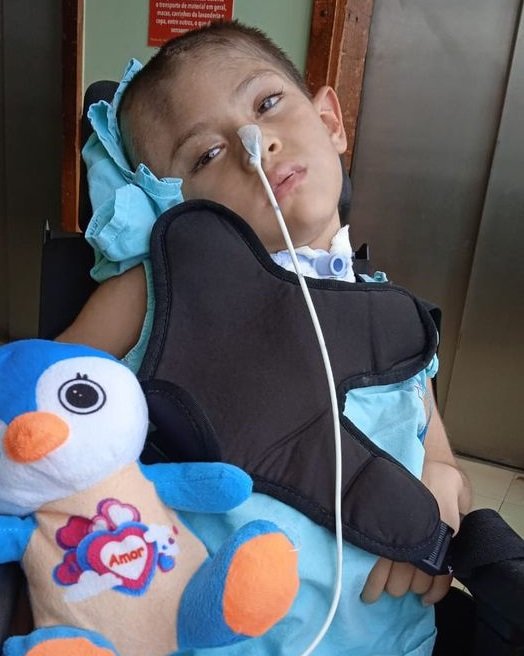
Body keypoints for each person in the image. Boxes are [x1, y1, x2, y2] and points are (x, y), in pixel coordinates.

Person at [58, 21, 471, 655]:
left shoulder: (390, 314)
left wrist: (441, 490)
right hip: (216, 635)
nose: (256, 145)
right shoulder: (160, 293)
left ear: (330, 121)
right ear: (173, 205)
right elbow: (33, 394)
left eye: (268, 103)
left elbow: (436, 453)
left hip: (386, 633)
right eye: (206, 155)